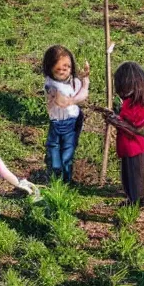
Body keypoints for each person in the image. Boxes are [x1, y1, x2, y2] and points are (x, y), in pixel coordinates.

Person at [105, 62, 144, 204]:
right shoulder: (129, 102)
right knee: (127, 176)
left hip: (135, 147)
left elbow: (135, 127)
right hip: (127, 147)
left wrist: (116, 121)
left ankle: (135, 201)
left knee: (134, 177)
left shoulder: (140, 104)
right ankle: (131, 198)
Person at [43, 45, 90, 183]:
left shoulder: (74, 82)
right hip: (56, 123)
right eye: (59, 69)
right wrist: (72, 100)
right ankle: (56, 177)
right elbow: (61, 100)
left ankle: (67, 180)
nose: (64, 71)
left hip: (71, 122)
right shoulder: (50, 84)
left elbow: (83, 95)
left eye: (67, 68)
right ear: (50, 68)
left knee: (68, 152)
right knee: (54, 149)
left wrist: (85, 82)